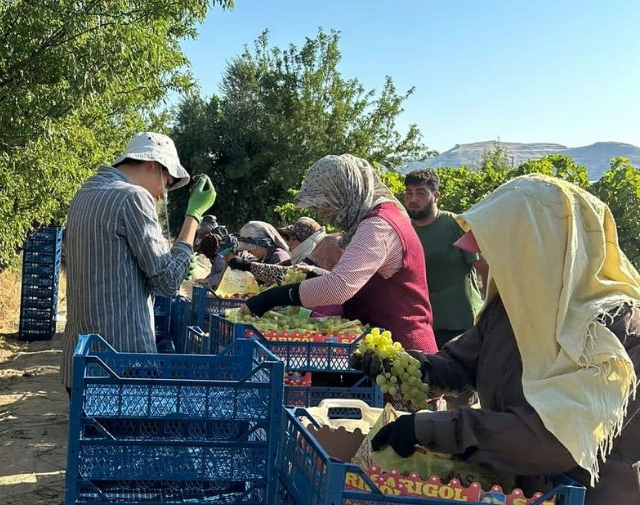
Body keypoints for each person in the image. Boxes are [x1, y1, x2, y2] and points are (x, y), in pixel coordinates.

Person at [359, 175, 640, 505]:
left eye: (499, 253)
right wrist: (412, 366)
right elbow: (463, 363)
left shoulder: (614, 327)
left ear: (541, 250)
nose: (487, 265)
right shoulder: (515, 307)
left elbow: (557, 437)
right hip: (526, 488)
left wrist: (435, 429)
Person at [59, 132, 216, 397]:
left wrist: (175, 259)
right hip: (123, 364)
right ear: (152, 164)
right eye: (166, 183)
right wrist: (193, 217)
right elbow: (167, 283)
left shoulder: (85, 193)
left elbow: (115, 264)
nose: (163, 196)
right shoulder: (132, 197)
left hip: (80, 363)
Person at [241, 154, 438, 356]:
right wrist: (316, 276)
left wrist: (269, 298)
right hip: (380, 348)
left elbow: (339, 287)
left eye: (324, 202)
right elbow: (354, 279)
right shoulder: (377, 218)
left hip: (403, 351)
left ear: (345, 192)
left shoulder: (378, 225)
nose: (321, 211)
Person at [404, 169, 487, 409]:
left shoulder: (456, 224)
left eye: (421, 193)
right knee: (422, 396)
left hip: (461, 326)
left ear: (436, 196)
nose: (413, 199)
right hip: (422, 327)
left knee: (461, 400)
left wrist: (490, 315)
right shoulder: (405, 231)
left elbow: (485, 269)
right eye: (409, 193)